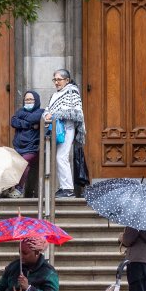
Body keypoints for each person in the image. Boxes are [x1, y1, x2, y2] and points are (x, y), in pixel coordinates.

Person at [44, 69, 86, 198]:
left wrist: (54, 115)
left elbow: (75, 112)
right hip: (56, 128)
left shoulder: (72, 91)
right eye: (55, 80)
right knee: (59, 157)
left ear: (67, 80)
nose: (56, 82)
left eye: (59, 79)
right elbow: (48, 109)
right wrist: (46, 115)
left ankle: (68, 189)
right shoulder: (55, 94)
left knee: (61, 157)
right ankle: (64, 187)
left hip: (67, 128)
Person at [9, 90, 45, 198]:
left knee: (23, 163)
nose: (28, 101)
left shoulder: (41, 112)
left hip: (32, 149)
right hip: (18, 148)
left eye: (31, 99)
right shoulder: (19, 111)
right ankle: (7, 189)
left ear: (36, 100)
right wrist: (30, 125)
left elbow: (33, 118)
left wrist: (22, 121)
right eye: (26, 99)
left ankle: (19, 190)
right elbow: (13, 121)